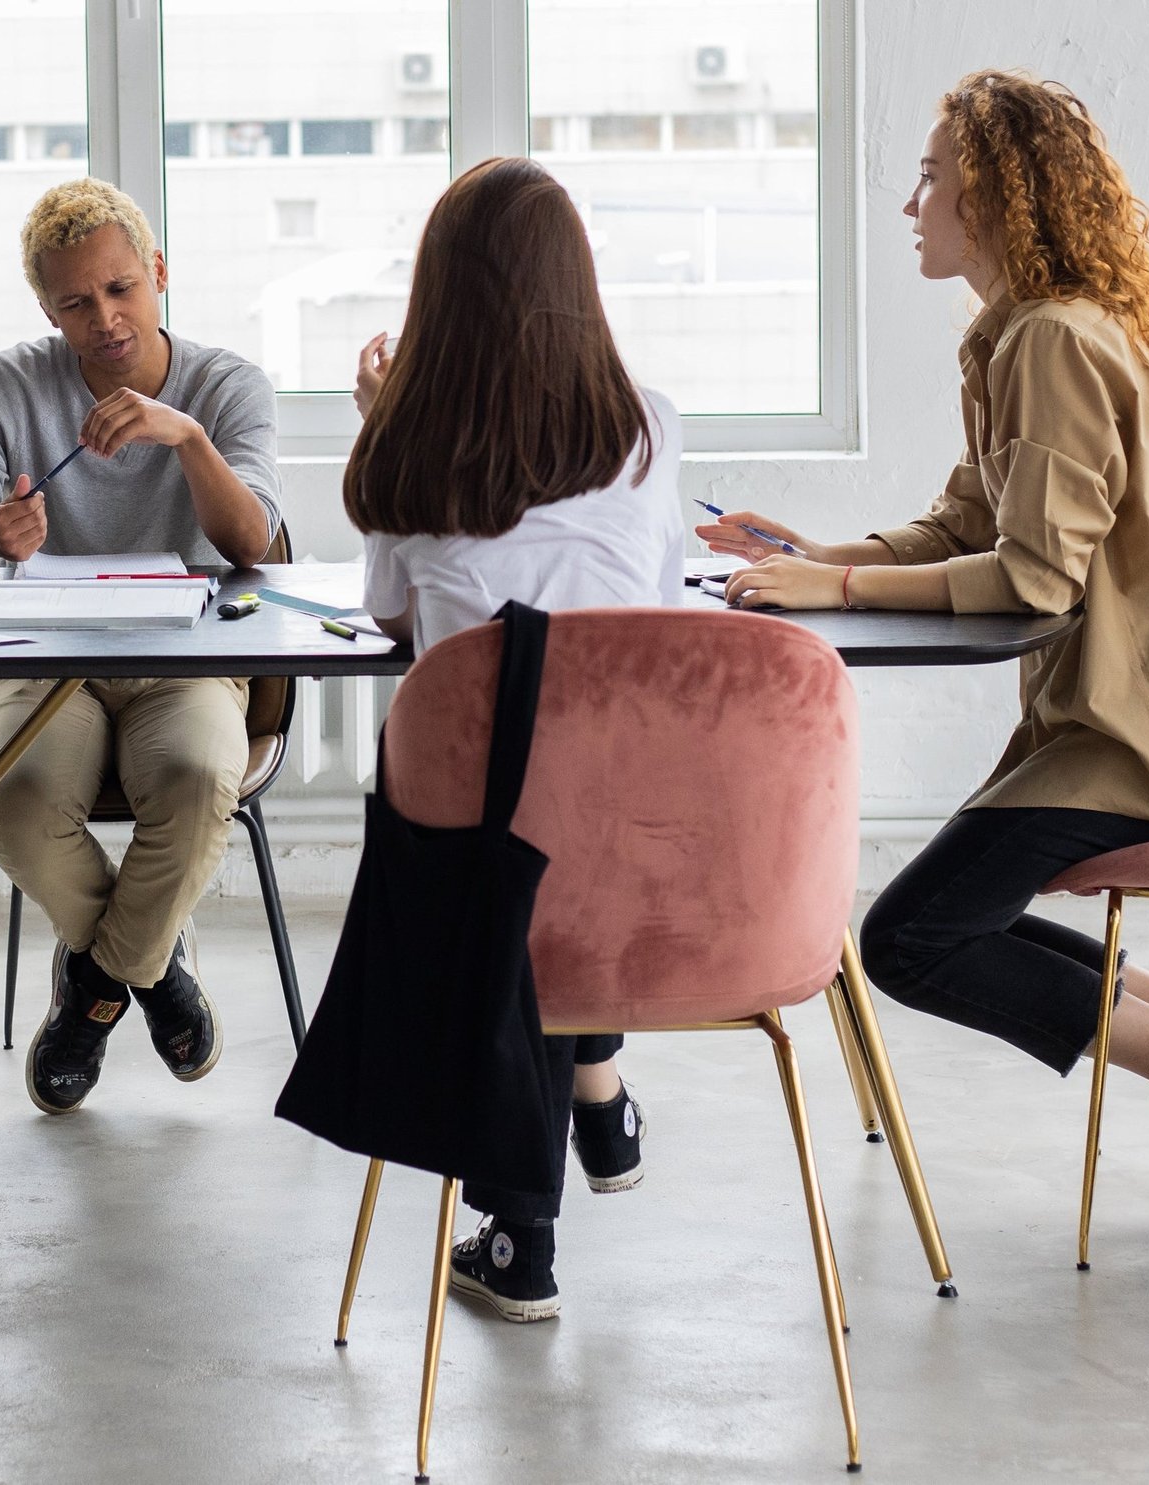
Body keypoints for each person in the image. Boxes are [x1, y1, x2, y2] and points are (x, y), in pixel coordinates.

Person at [699, 71, 1149, 1239]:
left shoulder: (1054, 343)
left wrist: (835, 587)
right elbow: (965, 525)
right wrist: (818, 552)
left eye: (931, 175)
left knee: (911, 938)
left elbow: (1033, 579)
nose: (910, 200)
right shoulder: (1018, 335)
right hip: (1133, 712)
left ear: (994, 193)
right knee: (944, 913)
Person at [349, 156, 686, 1322]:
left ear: (438, 297)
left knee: (511, 842)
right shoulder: (646, 428)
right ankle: (596, 1088)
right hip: (630, 828)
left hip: (459, 852)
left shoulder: (408, 450)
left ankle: (524, 1240)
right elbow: (651, 616)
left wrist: (380, 424)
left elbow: (393, 621)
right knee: (564, 818)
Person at [0, 179, 281, 1115]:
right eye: (75, 301)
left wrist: (185, 437)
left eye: (120, 289)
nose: (105, 318)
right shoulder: (9, 384)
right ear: (46, 307)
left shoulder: (225, 386)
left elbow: (253, 543)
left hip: (186, 657)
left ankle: (95, 987)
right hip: (43, 655)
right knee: (16, 804)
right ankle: (153, 966)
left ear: (157, 274)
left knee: (196, 783)